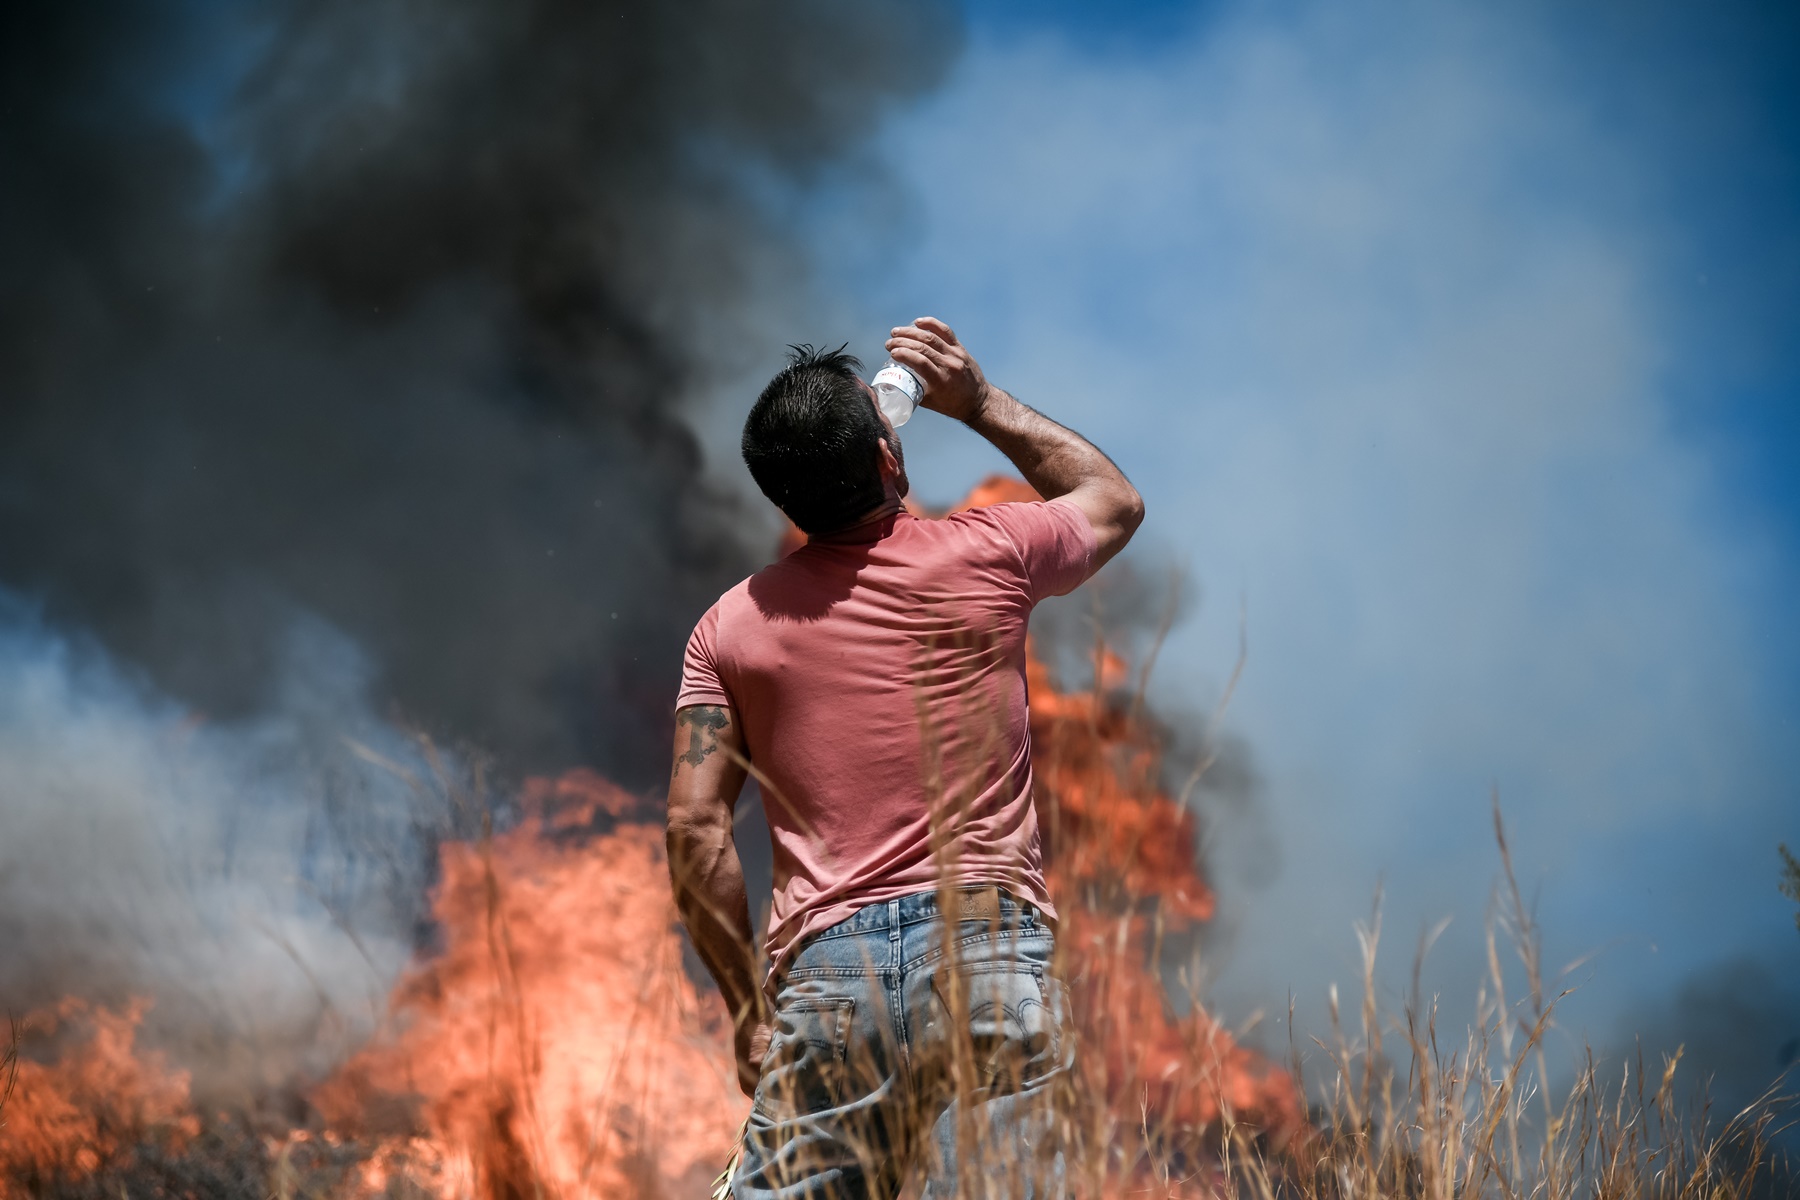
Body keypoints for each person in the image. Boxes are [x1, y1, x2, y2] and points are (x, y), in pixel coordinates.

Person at [666, 317, 1143, 1198]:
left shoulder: (727, 629)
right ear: (889, 460)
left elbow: (696, 830)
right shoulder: (988, 552)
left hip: (829, 982)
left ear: (784, 500)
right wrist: (980, 401)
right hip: (990, 955)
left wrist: (745, 1011)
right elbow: (1113, 500)